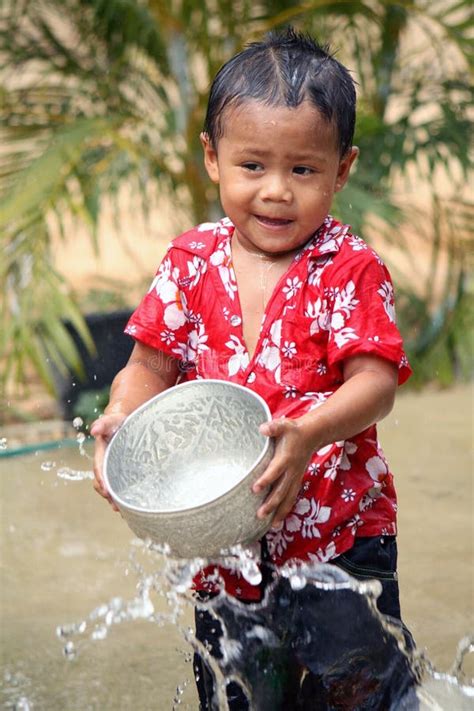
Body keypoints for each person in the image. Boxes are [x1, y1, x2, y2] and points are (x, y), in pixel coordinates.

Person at [92, 28, 417, 709]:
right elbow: (147, 366)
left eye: (303, 169)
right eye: (252, 166)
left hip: (337, 539)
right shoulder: (191, 260)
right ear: (213, 157)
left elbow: (375, 383)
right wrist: (123, 417)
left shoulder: (349, 269)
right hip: (223, 542)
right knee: (238, 691)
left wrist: (308, 432)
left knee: (358, 691)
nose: (275, 191)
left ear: (342, 169)